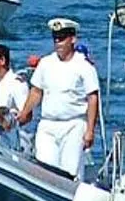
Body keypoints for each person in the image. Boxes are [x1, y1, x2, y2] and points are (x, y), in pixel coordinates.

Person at [20, 17, 101, 176]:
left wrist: (90, 130)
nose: (58, 43)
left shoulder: (84, 66)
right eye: (55, 39)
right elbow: (36, 91)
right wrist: (25, 112)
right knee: (43, 171)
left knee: (70, 172)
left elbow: (92, 98)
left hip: (73, 126)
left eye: (62, 39)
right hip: (48, 125)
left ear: (72, 39)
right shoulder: (46, 63)